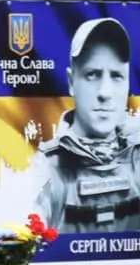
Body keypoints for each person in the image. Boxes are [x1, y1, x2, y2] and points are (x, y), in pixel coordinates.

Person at [31, 16, 140, 233]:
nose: (105, 93)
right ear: (72, 82)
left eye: (117, 76)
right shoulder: (41, 169)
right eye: (92, 75)